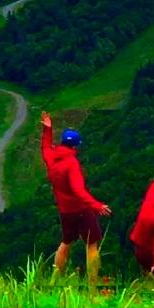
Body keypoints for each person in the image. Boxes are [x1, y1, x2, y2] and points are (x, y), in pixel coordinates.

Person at [40, 112, 109, 283]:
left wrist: (47, 129)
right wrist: (97, 205)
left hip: (64, 211)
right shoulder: (72, 164)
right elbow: (79, 191)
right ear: (75, 147)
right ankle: (92, 284)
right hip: (81, 210)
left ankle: (55, 280)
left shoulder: (52, 158)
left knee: (66, 242)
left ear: (62, 142)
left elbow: (45, 147)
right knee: (91, 245)